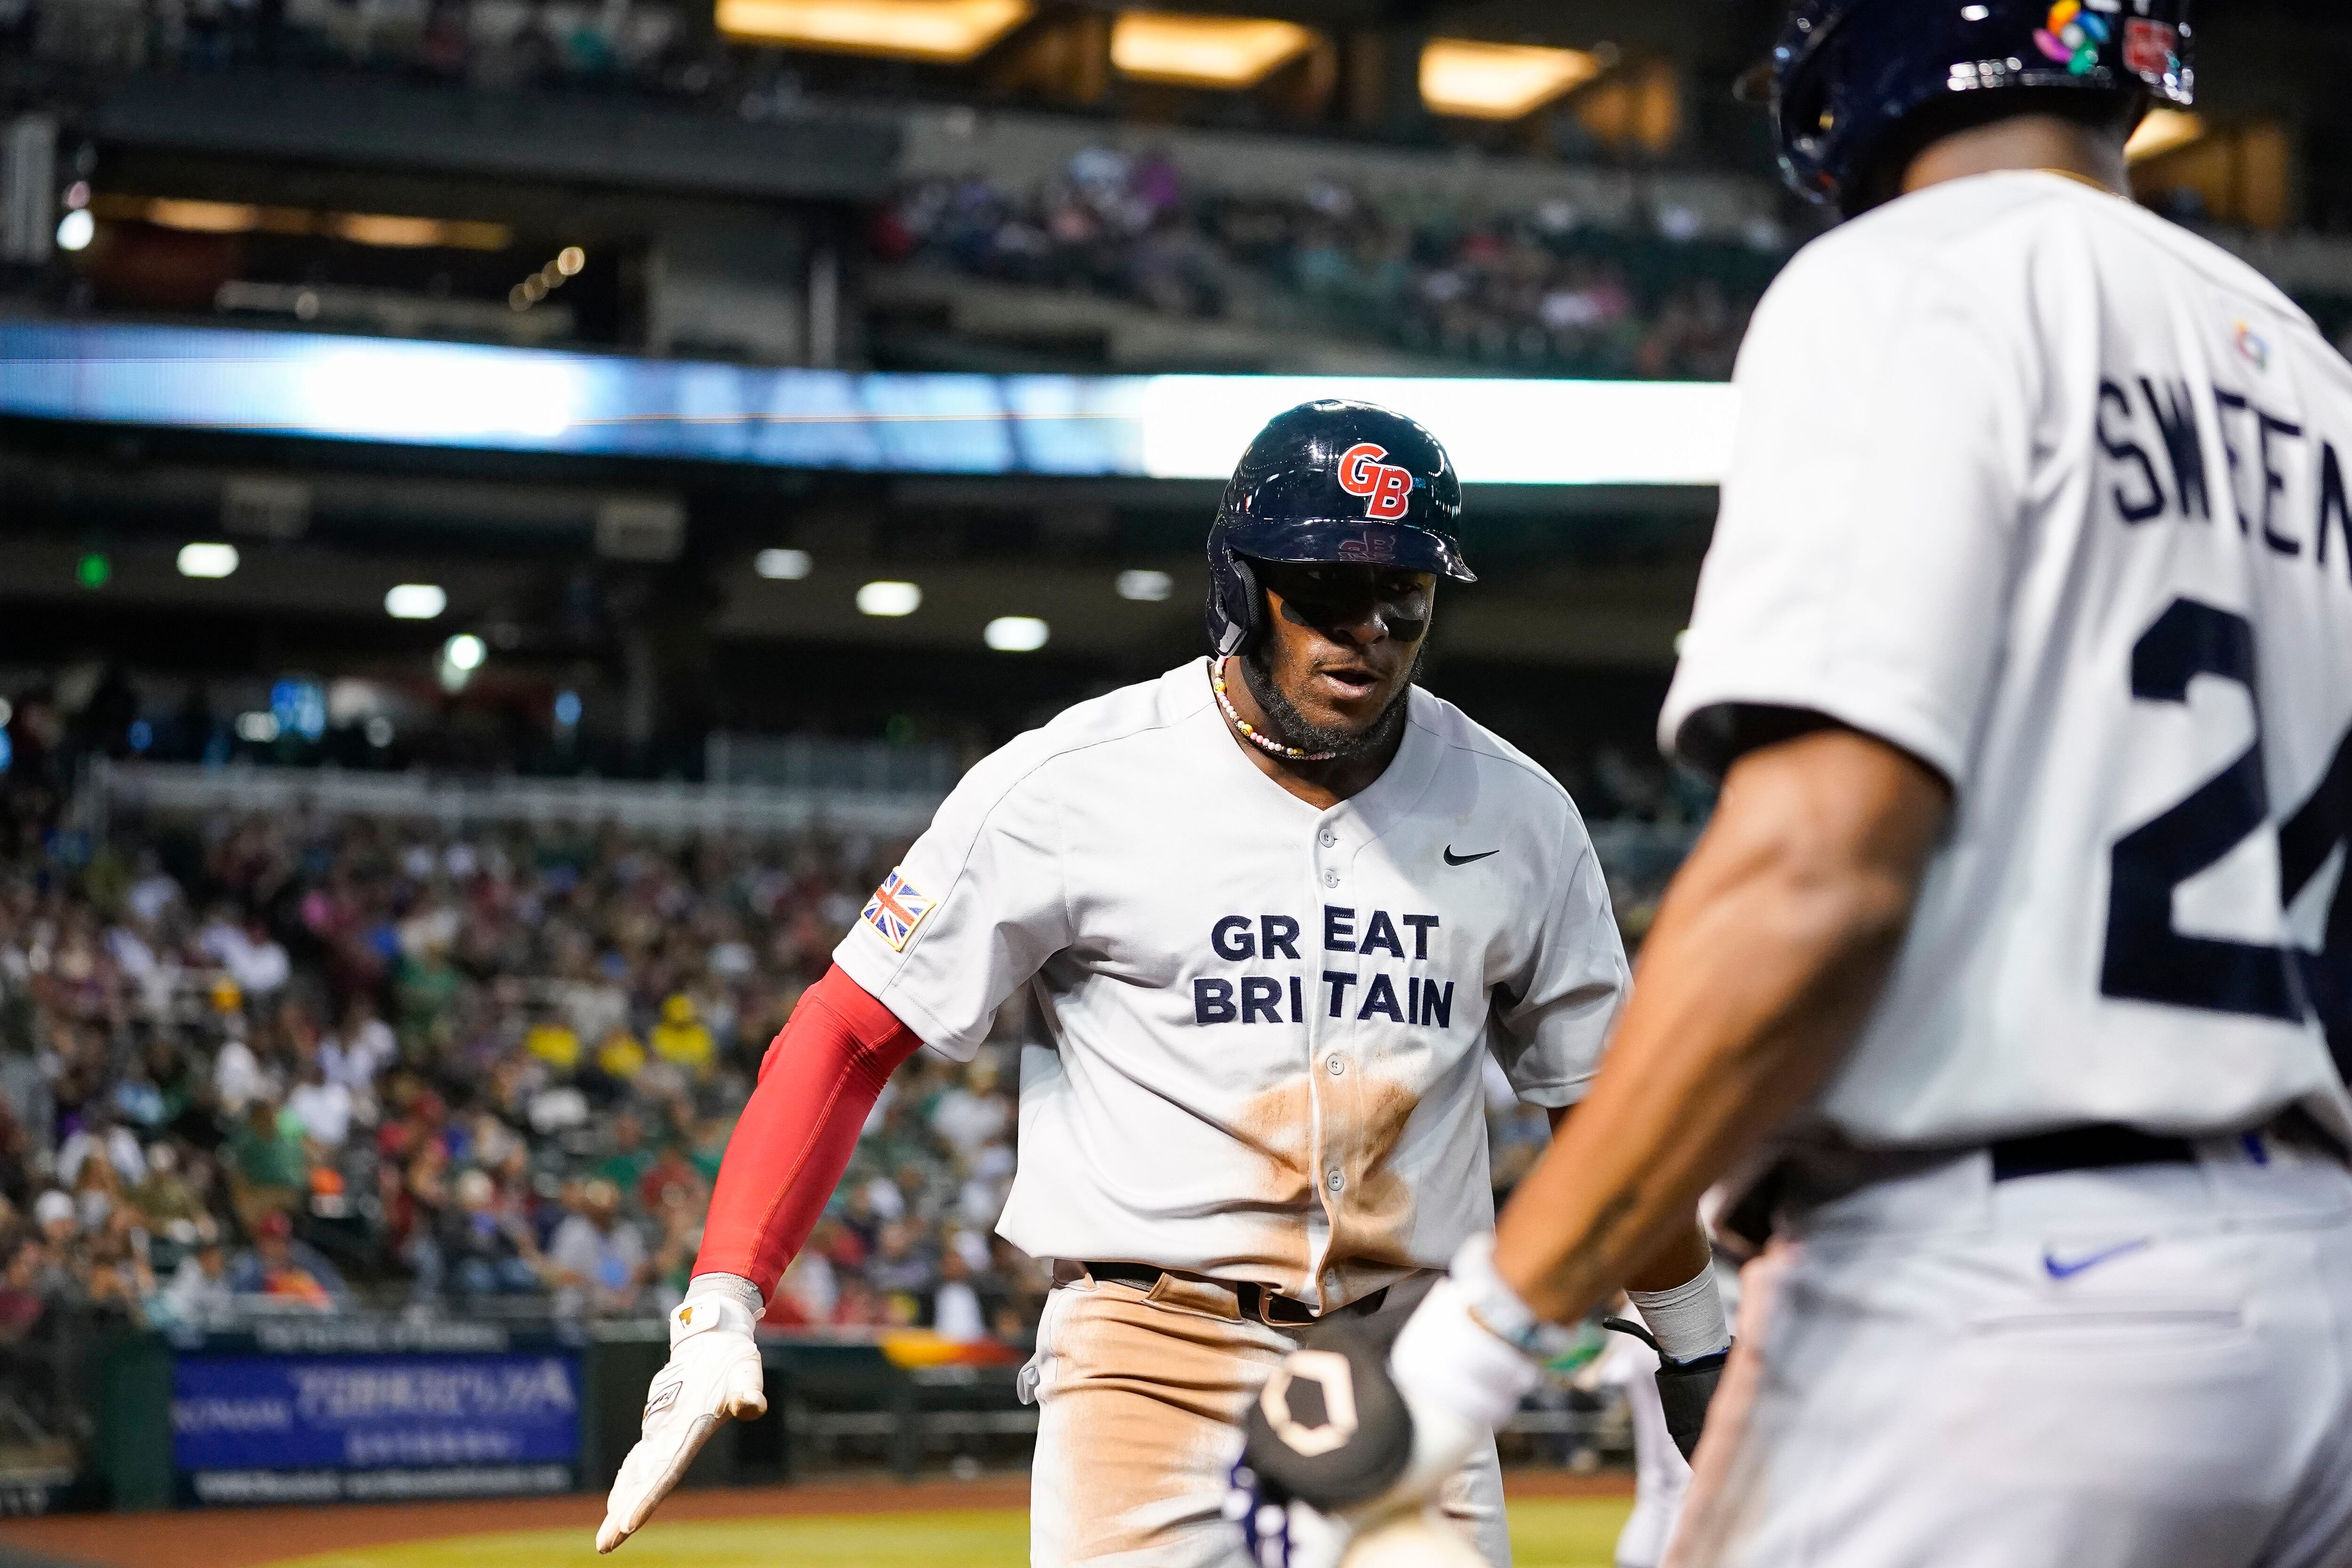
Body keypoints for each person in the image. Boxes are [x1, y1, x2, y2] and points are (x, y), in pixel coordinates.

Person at [1241, 5, 2352, 1567]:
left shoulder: (1912, 277)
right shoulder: (2308, 367)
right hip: (2317, 1299)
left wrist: (1466, 1346)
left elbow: (1818, 871)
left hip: (2009, 1290)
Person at [593, 401, 1724, 1567]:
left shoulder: (1518, 809)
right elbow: (847, 1029)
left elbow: (1606, 1110)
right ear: (1242, 587)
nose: (1370, 630)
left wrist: (1698, 1348)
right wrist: (722, 1300)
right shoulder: (1074, 781)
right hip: (1147, 1358)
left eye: (1404, 596)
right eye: (1326, 591)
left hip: (1411, 1366)